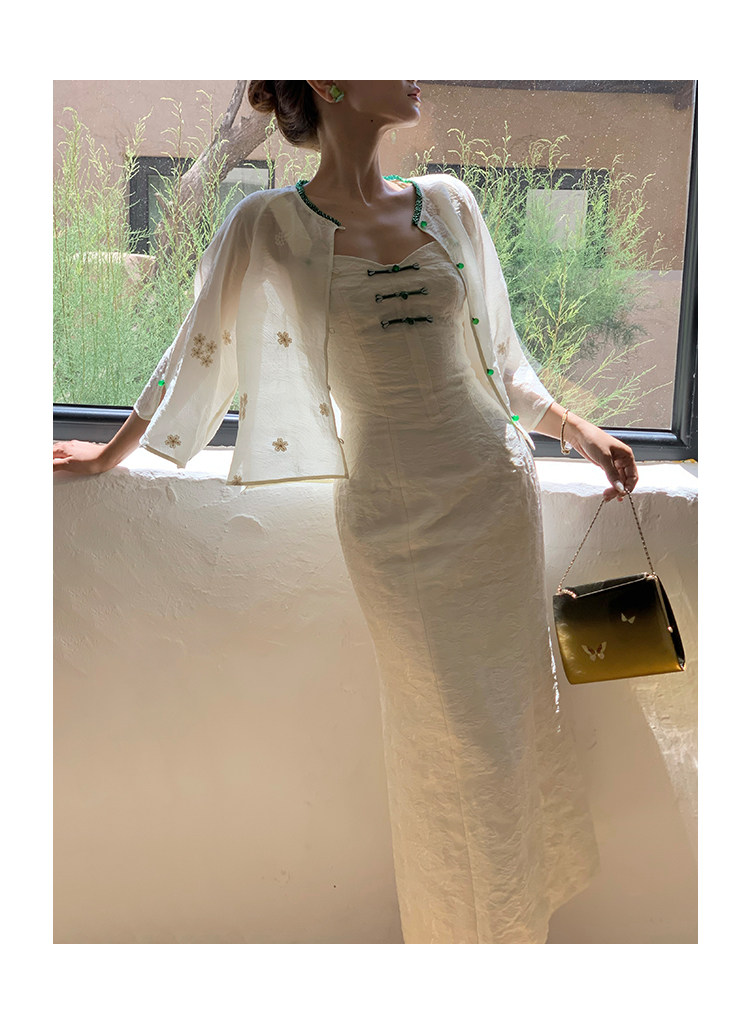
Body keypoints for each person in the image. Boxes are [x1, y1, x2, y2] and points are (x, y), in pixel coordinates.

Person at [53, 81, 638, 943]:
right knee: (450, 738)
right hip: (393, 526)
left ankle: (516, 935)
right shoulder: (265, 224)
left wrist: (575, 427)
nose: (412, 71)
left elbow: (502, 361)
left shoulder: (450, 203)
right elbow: (195, 348)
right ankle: (457, 940)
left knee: (510, 727)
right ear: (328, 82)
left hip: (493, 498)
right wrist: (111, 452)